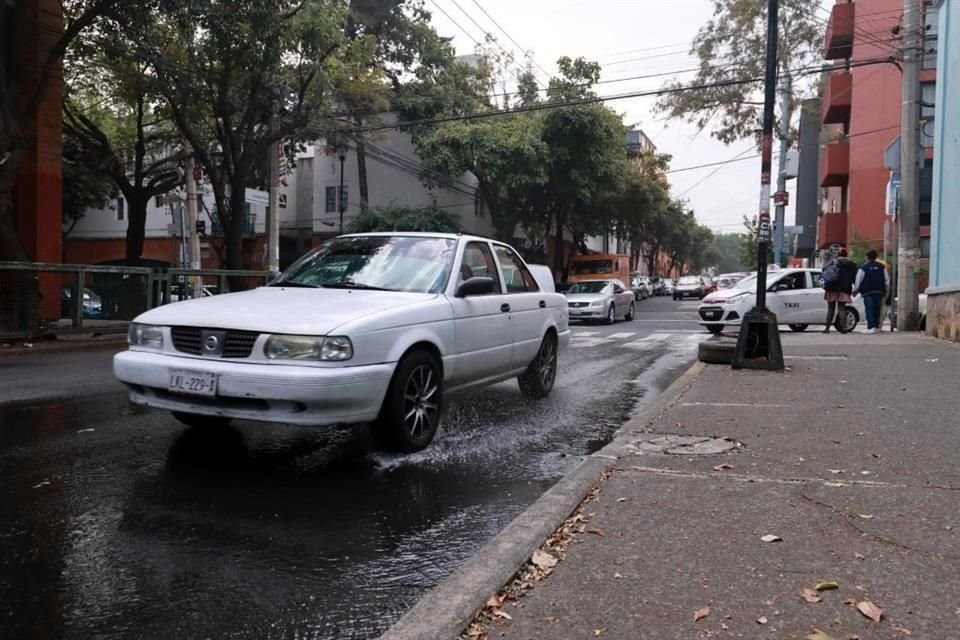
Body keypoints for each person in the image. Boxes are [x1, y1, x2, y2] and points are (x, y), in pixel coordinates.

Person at [821, 248, 858, 333]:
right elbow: (854, 278)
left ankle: (827, 328)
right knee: (842, 308)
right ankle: (844, 328)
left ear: (838, 254)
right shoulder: (852, 264)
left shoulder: (834, 261)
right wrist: (855, 288)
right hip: (844, 289)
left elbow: (824, 269)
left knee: (831, 309)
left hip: (832, 287)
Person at [854, 249, 890, 334]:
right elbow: (887, 280)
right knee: (877, 309)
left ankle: (871, 327)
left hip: (868, 291)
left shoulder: (863, 267)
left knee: (869, 309)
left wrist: (856, 289)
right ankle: (877, 327)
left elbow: (858, 279)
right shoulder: (882, 267)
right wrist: (886, 289)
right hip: (879, 291)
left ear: (867, 257)